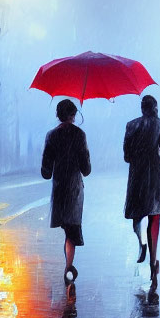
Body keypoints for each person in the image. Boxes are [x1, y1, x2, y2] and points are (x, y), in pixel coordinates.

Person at [123, 94, 160, 291]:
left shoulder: (131, 125)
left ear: (142, 108)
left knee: (137, 214)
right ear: (155, 107)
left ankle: (141, 242)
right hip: (155, 174)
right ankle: (153, 262)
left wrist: (137, 157)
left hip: (137, 173)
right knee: (155, 217)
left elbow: (126, 155)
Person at [42, 99, 91, 284]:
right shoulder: (80, 135)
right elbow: (86, 169)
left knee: (67, 229)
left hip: (59, 187)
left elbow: (46, 171)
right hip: (74, 189)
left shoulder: (51, 136)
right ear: (73, 115)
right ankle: (69, 266)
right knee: (72, 229)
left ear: (58, 115)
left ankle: (68, 264)